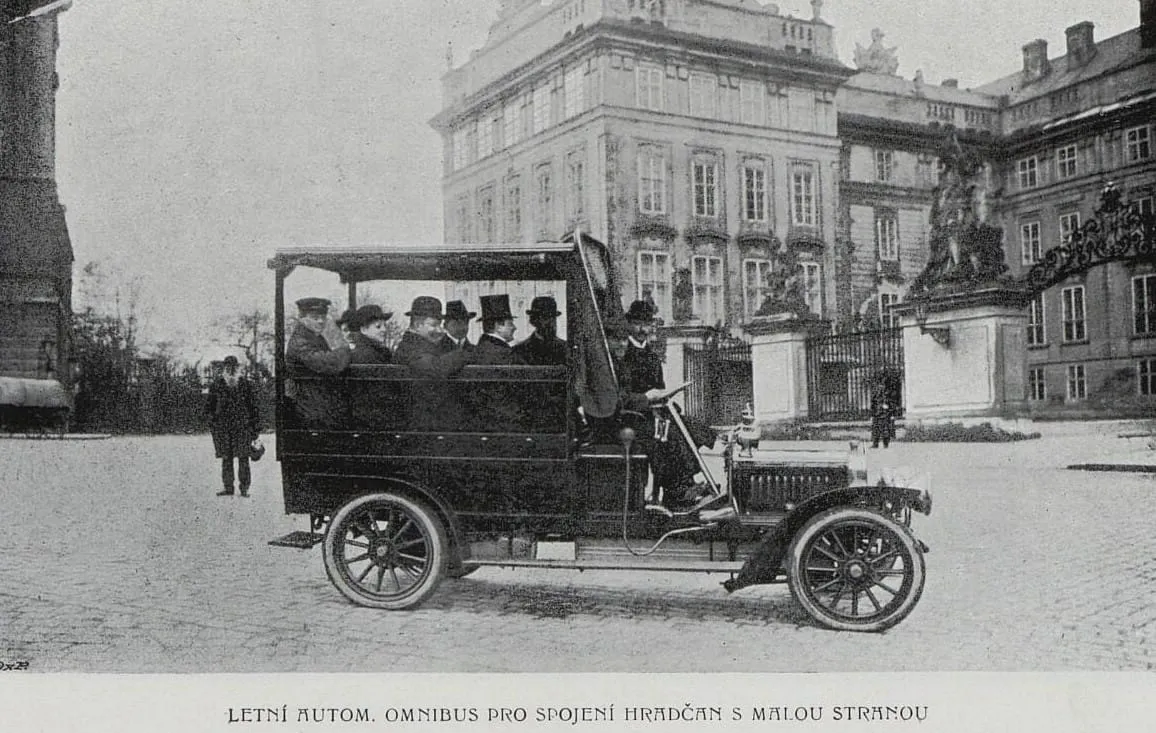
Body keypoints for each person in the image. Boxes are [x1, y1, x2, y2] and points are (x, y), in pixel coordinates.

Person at [285, 297, 352, 426]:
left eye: (323, 317)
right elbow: (328, 363)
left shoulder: (314, 338)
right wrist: (347, 349)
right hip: (311, 410)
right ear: (302, 318)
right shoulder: (300, 342)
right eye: (315, 318)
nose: (321, 321)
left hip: (318, 405)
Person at [205, 355, 260, 497]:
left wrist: (255, 429)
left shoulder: (246, 385)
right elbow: (209, 406)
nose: (231, 370)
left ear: (237, 368)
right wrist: (213, 421)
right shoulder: (217, 385)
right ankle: (228, 487)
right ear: (224, 368)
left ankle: (244, 488)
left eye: (233, 367)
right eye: (228, 367)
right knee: (226, 458)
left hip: (242, 427)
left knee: (243, 458)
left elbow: (253, 407)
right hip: (224, 427)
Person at [513, 295, 568, 366]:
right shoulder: (520, 350)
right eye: (545, 318)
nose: (550, 323)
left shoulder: (566, 348)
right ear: (533, 320)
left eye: (553, 318)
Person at [471, 294, 523, 366]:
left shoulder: (476, 350)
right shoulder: (506, 355)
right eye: (510, 323)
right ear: (499, 326)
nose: (514, 328)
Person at [870, 380, 896, 448]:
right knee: (876, 430)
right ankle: (875, 444)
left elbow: (892, 405)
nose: (880, 388)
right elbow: (873, 405)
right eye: (878, 386)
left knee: (885, 430)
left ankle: (885, 444)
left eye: (881, 386)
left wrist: (891, 413)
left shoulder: (888, 395)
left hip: (885, 414)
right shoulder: (875, 395)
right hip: (877, 414)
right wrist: (872, 414)